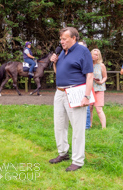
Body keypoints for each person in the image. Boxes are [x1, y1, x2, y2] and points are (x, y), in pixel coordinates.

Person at [49, 27, 93, 172]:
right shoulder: (62, 52)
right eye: (60, 39)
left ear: (74, 38)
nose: (61, 42)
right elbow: (59, 72)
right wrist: (54, 62)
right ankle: (63, 153)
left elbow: (89, 75)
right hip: (59, 92)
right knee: (59, 125)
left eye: (64, 39)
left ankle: (78, 160)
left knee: (77, 128)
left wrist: (86, 96)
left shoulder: (83, 52)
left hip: (76, 93)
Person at [90, 49, 107, 129]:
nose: (94, 56)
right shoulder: (88, 64)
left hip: (99, 88)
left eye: (96, 55)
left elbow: (105, 76)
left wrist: (101, 82)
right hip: (89, 89)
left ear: (98, 56)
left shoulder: (101, 65)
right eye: (93, 54)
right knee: (89, 109)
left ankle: (104, 127)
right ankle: (89, 125)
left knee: (98, 109)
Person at [78, 41, 91, 130]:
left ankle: (86, 125)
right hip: (75, 86)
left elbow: (89, 74)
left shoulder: (86, 57)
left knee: (86, 106)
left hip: (84, 85)